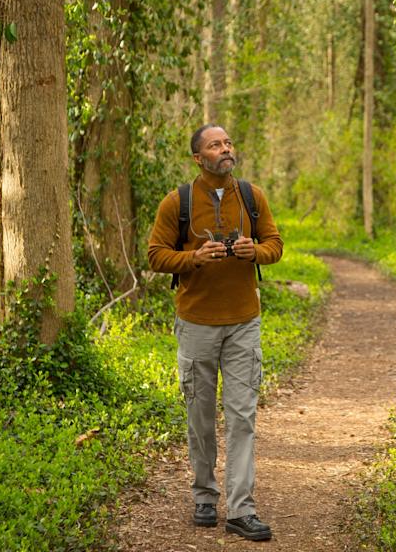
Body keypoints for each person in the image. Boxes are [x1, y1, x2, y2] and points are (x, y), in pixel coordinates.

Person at [147, 124, 283, 542]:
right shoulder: (178, 203)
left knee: (242, 417)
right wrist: (194, 258)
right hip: (197, 325)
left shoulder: (252, 196)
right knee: (200, 417)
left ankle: (242, 509)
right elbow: (155, 256)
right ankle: (205, 496)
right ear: (198, 158)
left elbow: (275, 244)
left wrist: (254, 251)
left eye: (227, 143)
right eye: (215, 145)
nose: (225, 149)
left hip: (245, 322)